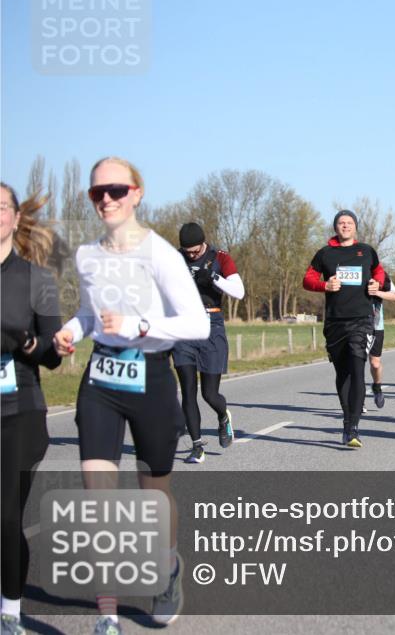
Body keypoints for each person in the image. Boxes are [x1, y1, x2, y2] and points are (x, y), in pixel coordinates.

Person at [52, 157, 211, 632]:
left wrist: (141, 325)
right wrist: (69, 331)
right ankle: (108, 616)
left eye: (116, 190)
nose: (106, 199)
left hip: (153, 378)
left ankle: (167, 571)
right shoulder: (87, 255)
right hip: (102, 379)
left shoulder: (161, 255)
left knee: (153, 497)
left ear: (137, 193)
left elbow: (198, 324)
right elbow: (87, 313)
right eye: (96, 192)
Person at [1, 183, 62, 635]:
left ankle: (9, 611)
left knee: (4, 515)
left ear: (16, 217)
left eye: (0, 207)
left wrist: (23, 342)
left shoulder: (36, 279)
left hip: (18, 409)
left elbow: (53, 354)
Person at [303, 209, 386, 448]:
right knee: (342, 373)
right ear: (335, 227)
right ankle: (347, 419)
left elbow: (379, 271)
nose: (345, 226)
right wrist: (324, 285)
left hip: (361, 319)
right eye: (341, 222)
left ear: (355, 227)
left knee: (358, 368)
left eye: (349, 222)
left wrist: (376, 283)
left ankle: (354, 428)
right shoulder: (325, 253)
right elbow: (307, 279)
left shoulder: (367, 251)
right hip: (335, 321)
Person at [171, 223, 245, 464]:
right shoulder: (174, 259)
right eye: (187, 252)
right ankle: (196, 446)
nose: (191, 255)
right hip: (183, 327)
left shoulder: (220, 258)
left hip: (211, 324)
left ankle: (223, 415)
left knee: (209, 394)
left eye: (195, 251)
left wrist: (214, 277)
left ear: (204, 243)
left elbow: (239, 292)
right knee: (188, 391)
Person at [368, 270, 395, 410]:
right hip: (355, 325)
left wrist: (377, 293)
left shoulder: (380, 274)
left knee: (375, 364)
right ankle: (357, 402)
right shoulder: (351, 271)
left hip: (376, 325)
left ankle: (377, 386)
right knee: (355, 364)